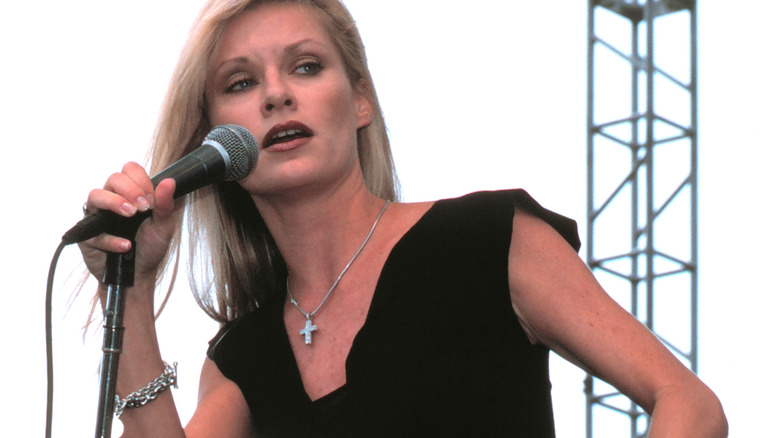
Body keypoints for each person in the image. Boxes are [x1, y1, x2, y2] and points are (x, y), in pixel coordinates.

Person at [79, 0, 728, 436]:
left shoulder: (488, 242)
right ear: (211, 139)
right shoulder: (241, 359)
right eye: (241, 83)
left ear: (359, 98)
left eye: (306, 66)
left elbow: (689, 406)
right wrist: (129, 294)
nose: (277, 93)